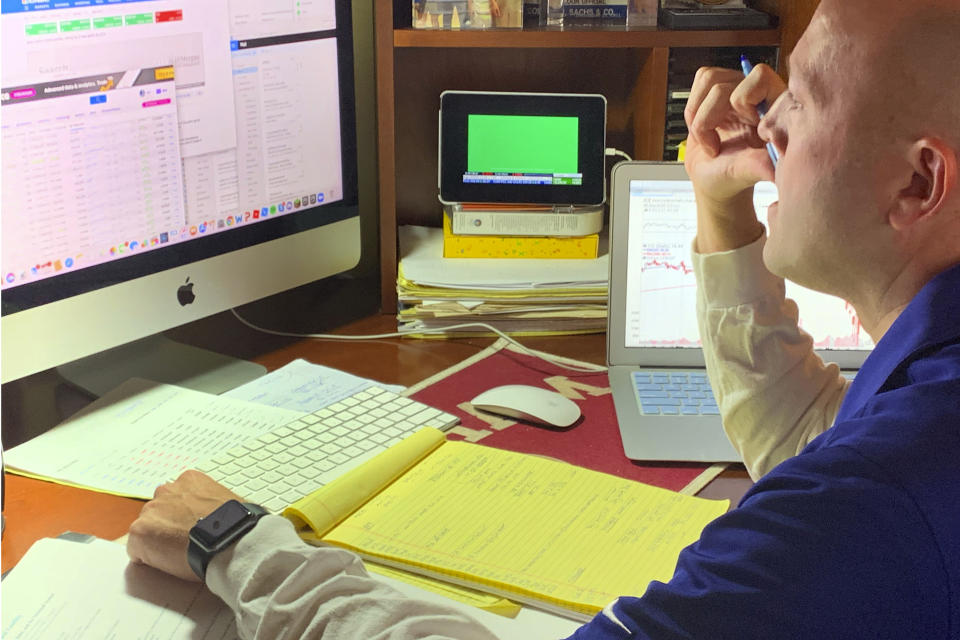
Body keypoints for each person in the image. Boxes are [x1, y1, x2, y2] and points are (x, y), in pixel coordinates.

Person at [128, 0, 960, 636]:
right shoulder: (922, 405)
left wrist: (240, 545)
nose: (767, 116)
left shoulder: (882, 494)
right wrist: (721, 208)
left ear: (918, 186)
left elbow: (850, 495)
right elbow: (818, 443)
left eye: (805, 101)